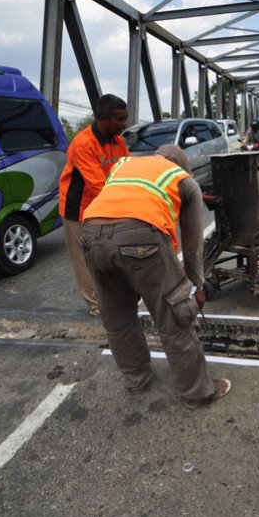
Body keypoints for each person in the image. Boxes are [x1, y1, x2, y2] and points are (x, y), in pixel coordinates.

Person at [80, 144, 231, 408]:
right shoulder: (184, 181)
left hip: (91, 235)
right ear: (181, 166)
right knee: (175, 317)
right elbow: (193, 245)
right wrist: (196, 286)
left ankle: (137, 380)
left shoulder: (123, 165)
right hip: (140, 236)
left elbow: (116, 207)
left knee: (117, 318)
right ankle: (199, 392)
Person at [59, 94, 129, 317]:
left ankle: (114, 295)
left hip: (104, 206)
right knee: (85, 259)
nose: (124, 124)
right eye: (120, 120)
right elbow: (99, 185)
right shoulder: (83, 144)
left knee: (107, 253)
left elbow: (126, 170)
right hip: (78, 210)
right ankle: (96, 305)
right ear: (103, 118)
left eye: (125, 118)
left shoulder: (117, 140)